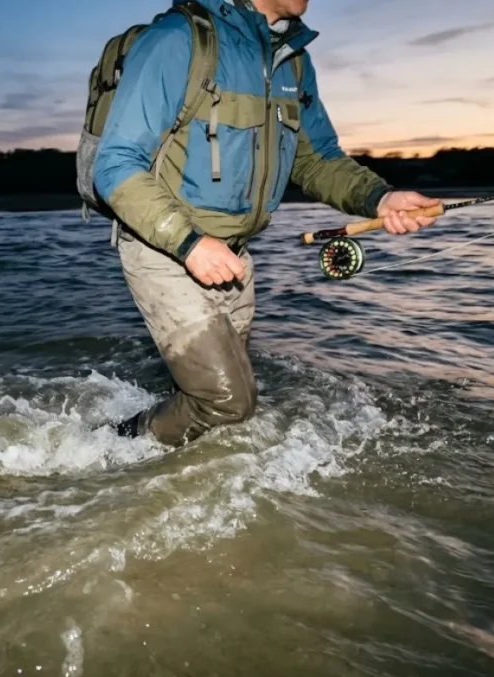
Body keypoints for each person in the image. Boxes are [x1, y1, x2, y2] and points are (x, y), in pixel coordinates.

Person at [92, 0, 440, 447]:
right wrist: (190, 244)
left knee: (224, 406)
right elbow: (115, 165)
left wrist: (381, 198)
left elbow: (317, 160)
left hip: (233, 259)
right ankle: (107, 448)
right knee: (228, 402)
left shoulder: (293, 59)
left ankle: (167, 479)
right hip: (165, 248)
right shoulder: (177, 39)